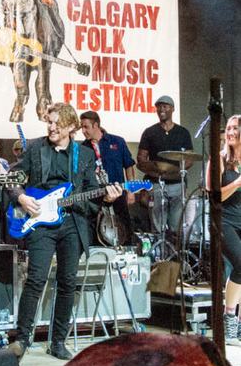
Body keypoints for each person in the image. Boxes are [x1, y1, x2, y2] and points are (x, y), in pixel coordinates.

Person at [6, 102, 122, 360]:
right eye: (49, 122)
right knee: (36, 279)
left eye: (58, 123)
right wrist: (21, 198)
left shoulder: (85, 154)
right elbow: (12, 179)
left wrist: (108, 198)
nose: (52, 127)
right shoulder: (35, 147)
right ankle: (22, 339)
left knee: (68, 283)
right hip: (41, 221)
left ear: (71, 127)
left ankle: (58, 341)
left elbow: (93, 191)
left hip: (72, 222)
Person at [206, 115, 241, 345]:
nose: (230, 132)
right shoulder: (218, 159)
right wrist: (238, 183)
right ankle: (229, 318)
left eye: (235, 128)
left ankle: (236, 323)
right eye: (228, 128)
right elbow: (214, 195)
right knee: (240, 263)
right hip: (224, 221)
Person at [137, 95, 193, 235]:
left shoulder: (182, 132)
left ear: (172, 109)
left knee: (176, 227)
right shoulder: (149, 132)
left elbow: (190, 158)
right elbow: (141, 157)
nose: (161, 109)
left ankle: (174, 255)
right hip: (156, 184)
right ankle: (159, 257)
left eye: (165, 106)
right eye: (159, 106)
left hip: (177, 184)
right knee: (157, 228)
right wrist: (151, 168)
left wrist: (174, 171)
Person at [80, 110, 136, 244]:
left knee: (124, 229)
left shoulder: (117, 141)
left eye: (86, 127)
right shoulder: (83, 148)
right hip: (97, 196)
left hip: (118, 193)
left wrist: (131, 191)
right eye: (81, 127)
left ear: (96, 125)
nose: (83, 131)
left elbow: (128, 165)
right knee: (96, 234)